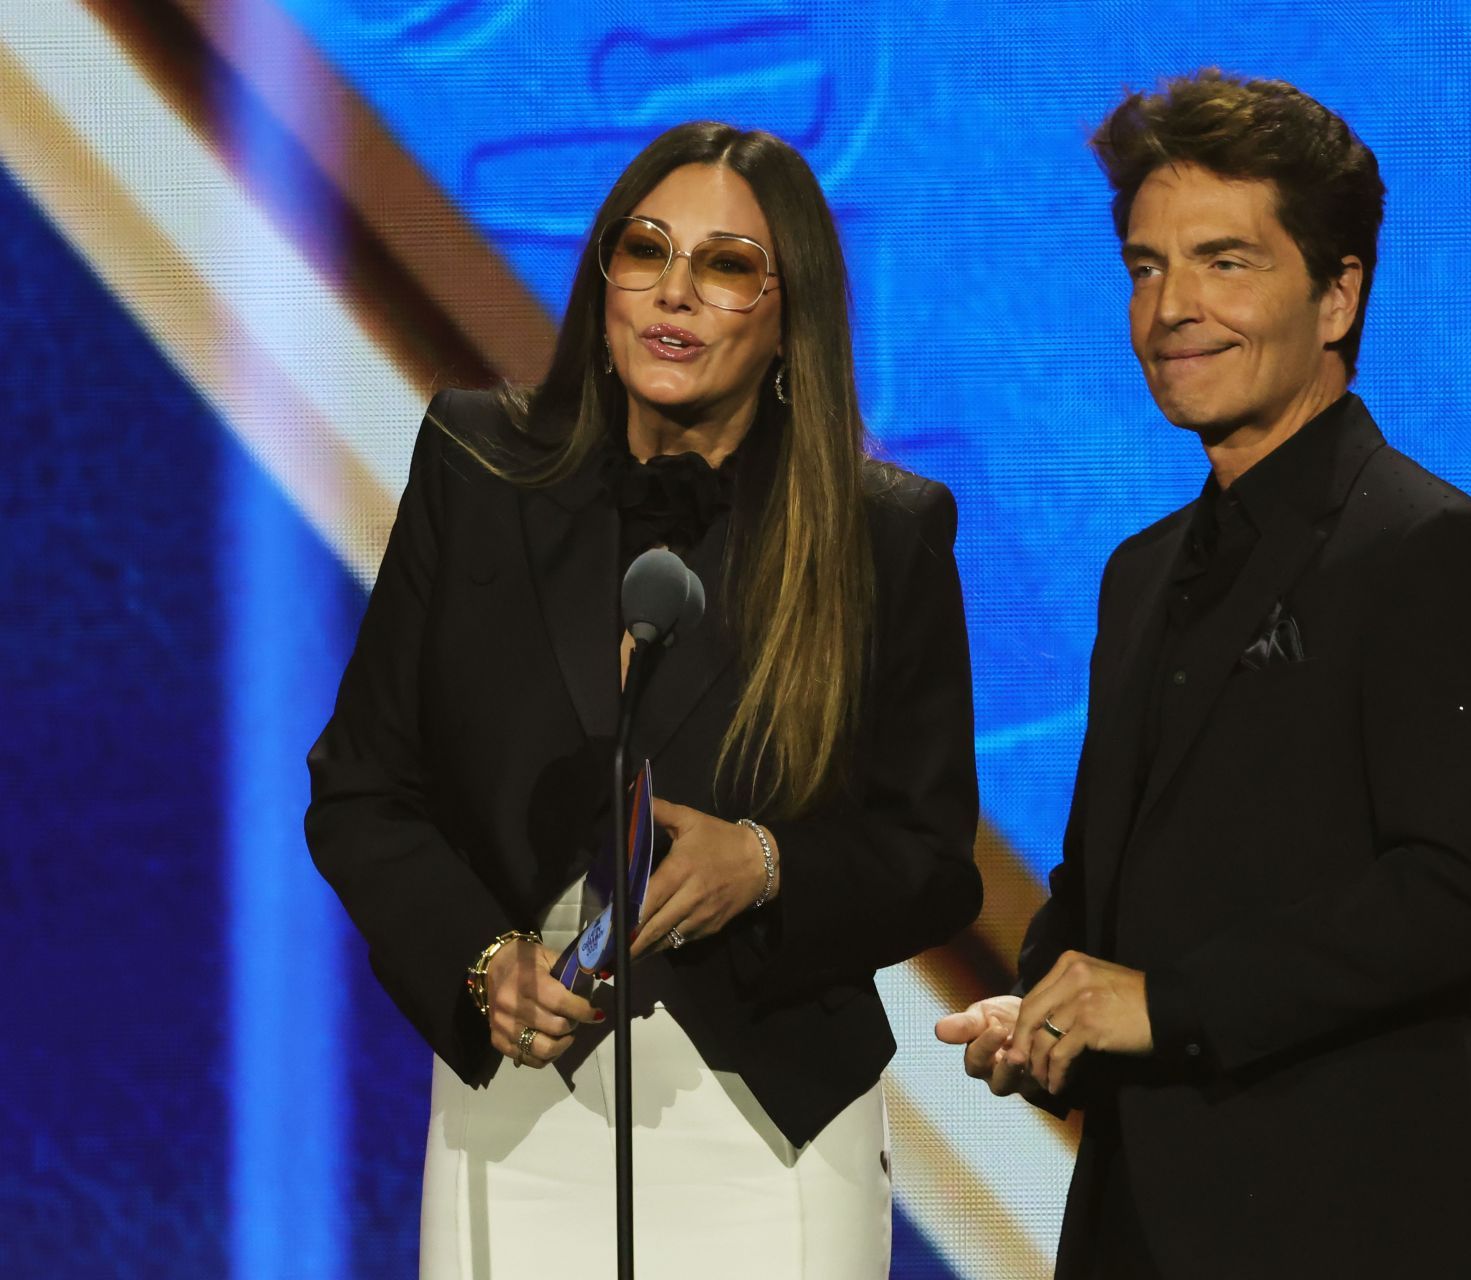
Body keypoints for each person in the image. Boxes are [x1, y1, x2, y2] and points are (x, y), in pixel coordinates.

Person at [308, 121, 981, 1278]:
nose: (675, 291)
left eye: (726, 265)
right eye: (646, 249)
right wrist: (484, 959)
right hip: (515, 1116)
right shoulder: (477, 467)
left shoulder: (882, 535)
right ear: (603, 279)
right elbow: (363, 791)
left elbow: (929, 860)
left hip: (767, 1134)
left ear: (791, 316)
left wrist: (765, 864)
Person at [936, 70, 1471, 1277]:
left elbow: (1459, 886)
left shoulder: (1430, 549)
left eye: (1225, 262)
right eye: (1146, 266)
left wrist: (1164, 1003)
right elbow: (1102, 877)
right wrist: (1046, 1005)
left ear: (1338, 295)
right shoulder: (1140, 571)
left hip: (1334, 1229)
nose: (1172, 308)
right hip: (1125, 1225)